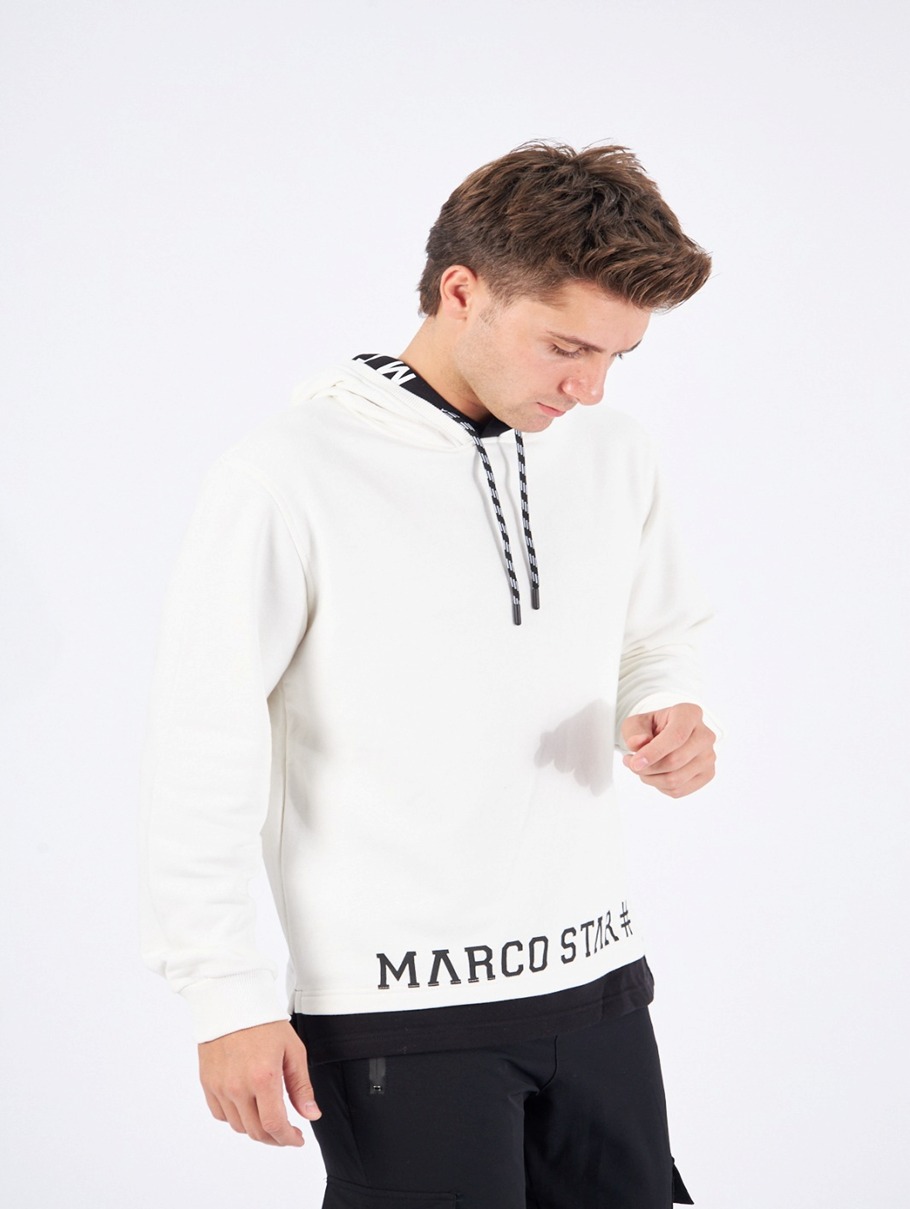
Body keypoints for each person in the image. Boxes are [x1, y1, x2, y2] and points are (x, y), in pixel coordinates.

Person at [140, 141, 719, 1209]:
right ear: (462, 291)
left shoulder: (612, 452)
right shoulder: (288, 477)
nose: (589, 387)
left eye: (616, 356)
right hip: (399, 1011)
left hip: (599, 985)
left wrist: (663, 705)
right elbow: (203, 747)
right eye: (565, 346)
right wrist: (224, 997)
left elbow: (656, 635)